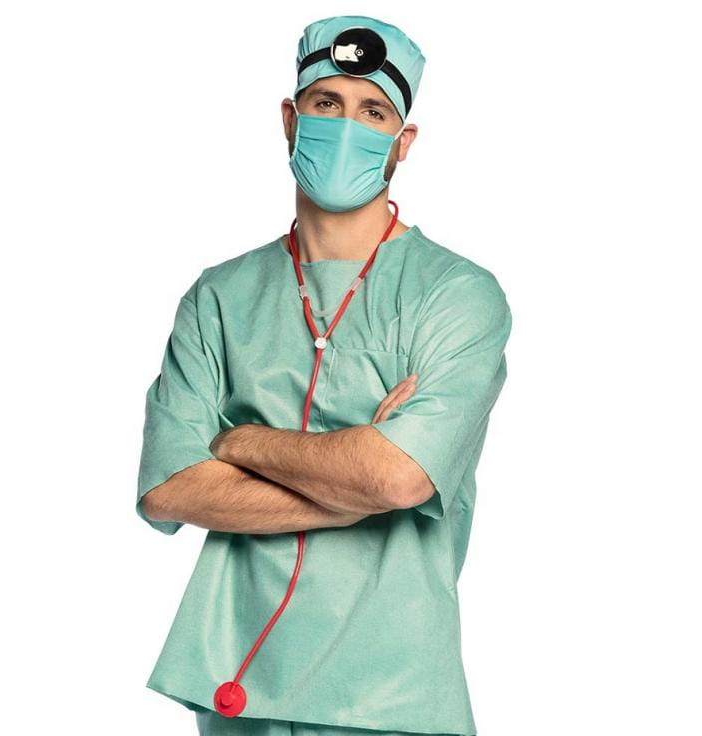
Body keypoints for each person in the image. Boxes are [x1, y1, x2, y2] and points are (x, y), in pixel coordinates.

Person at [136, 14, 513, 736]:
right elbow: (168, 490)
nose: (346, 127)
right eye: (326, 103)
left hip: (390, 698)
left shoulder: (456, 295)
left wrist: (238, 441)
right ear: (290, 120)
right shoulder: (220, 297)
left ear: (403, 142)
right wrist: (352, 487)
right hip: (237, 685)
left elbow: (396, 478)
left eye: (373, 112)